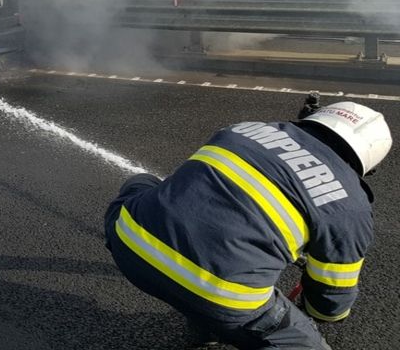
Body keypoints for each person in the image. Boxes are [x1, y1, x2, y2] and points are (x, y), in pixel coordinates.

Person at [104, 100, 392, 349]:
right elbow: (330, 305)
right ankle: (213, 321)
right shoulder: (351, 205)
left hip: (127, 243)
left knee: (143, 182)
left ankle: (204, 323)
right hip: (221, 297)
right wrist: (309, 310)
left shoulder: (244, 129)